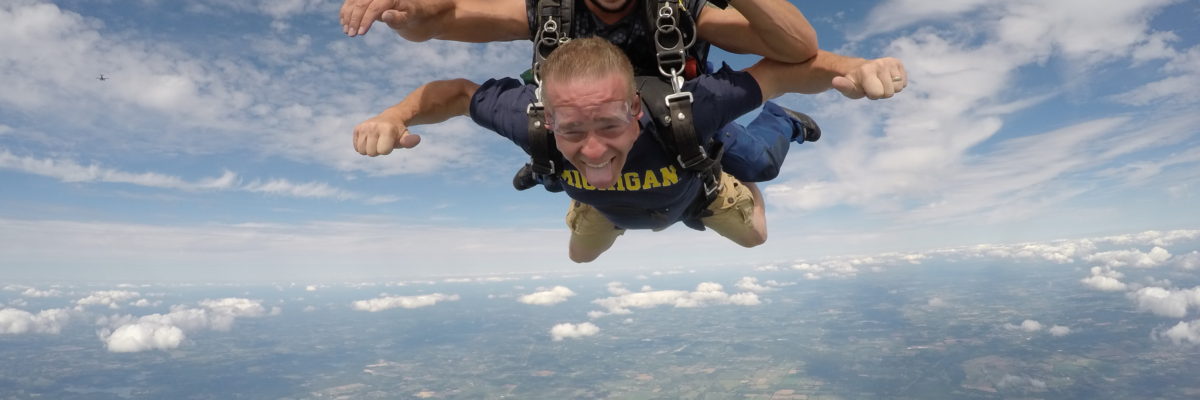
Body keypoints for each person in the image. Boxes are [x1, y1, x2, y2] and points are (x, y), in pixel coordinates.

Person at [351, 38, 907, 262]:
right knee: (580, 256)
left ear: (637, 110)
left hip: (693, 185)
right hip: (608, 205)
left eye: (609, 125)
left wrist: (855, 69)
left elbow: (781, 71)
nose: (592, 148)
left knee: (757, 230)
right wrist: (393, 116)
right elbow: (455, 94)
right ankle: (582, 197)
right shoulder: (531, 121)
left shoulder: (691, 108)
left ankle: (731, 167)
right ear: (547, 118)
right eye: (570, 130)